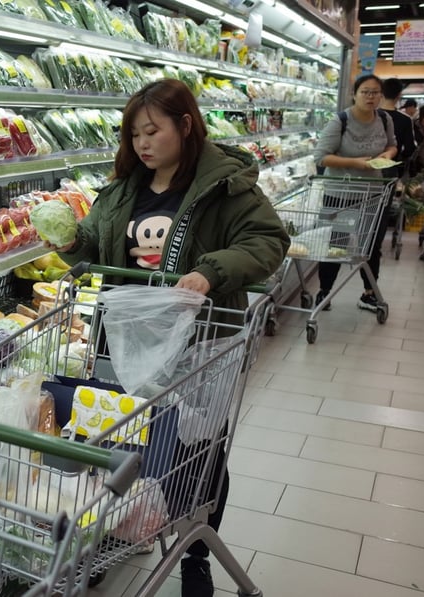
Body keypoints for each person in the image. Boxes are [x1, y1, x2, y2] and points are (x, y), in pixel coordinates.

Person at [54, 78, 289, 597]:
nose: (141, 142)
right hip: (125, 340)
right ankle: (107, 535)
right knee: (118, 441)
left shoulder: (226, 186)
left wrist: (211, 271)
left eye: (152, 130)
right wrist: (72, 241)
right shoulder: (122, 190)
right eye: (134, 133)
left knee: (195, 450)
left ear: (185, 126)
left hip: (199, 343)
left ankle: (196, 552)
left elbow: (268, 240)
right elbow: (95, 242)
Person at [312, 74, 398, 312]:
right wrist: (356, 163)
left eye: (375, 92)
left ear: (381, 95)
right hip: (342, 195)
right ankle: (324, 293)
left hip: (373, 195)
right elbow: (320, 156)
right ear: (355, 94)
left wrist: (387, 155)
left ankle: (369, 294)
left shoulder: (384, 119)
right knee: (337, 245)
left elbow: (392, 145)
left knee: (370, 246)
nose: (371, 97)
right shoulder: (340, 121)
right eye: (365, 92)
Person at [380, 78, 417, 179]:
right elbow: (410, 148)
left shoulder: (372, 115)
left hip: (368, 165)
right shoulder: (405, 119)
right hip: (392, 166)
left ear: (381, 93)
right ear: (399, 95)